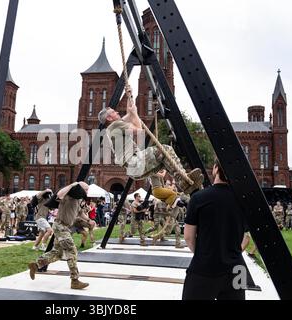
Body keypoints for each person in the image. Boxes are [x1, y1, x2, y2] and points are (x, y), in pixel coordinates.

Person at [98, 90, 204, 195]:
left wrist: (129, 96)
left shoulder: (113, 128)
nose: (116, 112)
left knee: (165, 160)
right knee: (166, 150)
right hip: (135, 163)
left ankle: (184, 183)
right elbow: (139, 130)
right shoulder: (115, 126)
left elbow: (129, 114)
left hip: (134, 170)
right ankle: (183, 181)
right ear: (109, 118)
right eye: (113, 112)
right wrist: (134, 113)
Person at [182, 158, 248, 300]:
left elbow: (188, 237)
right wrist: (230, 253)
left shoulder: (198, 198)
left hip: (205, 267)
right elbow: (246, 237)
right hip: (237, 269)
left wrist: (203, 253)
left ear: (216, 169)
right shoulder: (243, 200)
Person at [28, 182, 90, 290]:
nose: (87, 192)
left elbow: (80, 213)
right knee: (72, 251)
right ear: (79, 188)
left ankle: (36, 265)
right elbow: (59, 195)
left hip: (65, 227)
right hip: (60, 226)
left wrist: (89, 220)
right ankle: (75, 280)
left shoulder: (78, 199)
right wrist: (72, 185)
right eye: (86, 189)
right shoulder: (67, 196)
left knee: (57, 252)